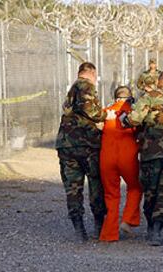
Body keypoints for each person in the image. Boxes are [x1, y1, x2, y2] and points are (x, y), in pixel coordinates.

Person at [119, 70, 163, 246]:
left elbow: (134, 119)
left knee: (151, 188)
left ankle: (151, 225)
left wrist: (123, 119)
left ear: (159, 82)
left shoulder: (149, 96)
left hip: (152, 151)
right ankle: (157, 228)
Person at [55, 62, 106, 242]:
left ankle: (79, 229)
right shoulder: (85, 86)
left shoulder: (71, 90)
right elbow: (92, 111)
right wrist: (105, 115)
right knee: (96, 184)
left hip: (66, 145)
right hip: (86, 145)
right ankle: (99, 226)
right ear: (91, 73)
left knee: (73, 188)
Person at [99, 86, 143, 242]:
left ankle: (109, 234)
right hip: (127, 157)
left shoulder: (104, 112)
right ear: (129, 98)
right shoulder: (132, 114)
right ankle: (128, 220)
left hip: (106, 157)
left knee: (111, 194)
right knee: (136, 187)